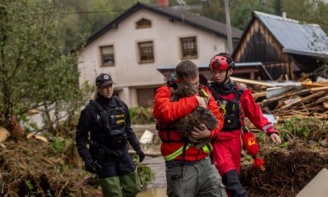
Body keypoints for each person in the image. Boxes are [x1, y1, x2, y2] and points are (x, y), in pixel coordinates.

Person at [207, 53, 282, 197]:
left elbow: (255, 114)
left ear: (230, 71)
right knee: (231, 178)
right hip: (217, 141)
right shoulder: (207, 92)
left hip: (235, 140)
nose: (216, 75)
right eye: (214, 72)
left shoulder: (241, 92)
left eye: (220, 72)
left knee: (232, 179)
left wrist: (271, 131)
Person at [153, 60, 228, 197]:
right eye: (191, 84)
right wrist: (194, 101)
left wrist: (209, 133)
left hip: (205, 162)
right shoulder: (165, 92)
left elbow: (218, 119)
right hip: (179, 165)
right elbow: (163, 112)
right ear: (179, 82)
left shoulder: (203, 91)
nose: (195, 88)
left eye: (197, 83)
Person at [76, 73, 145, 197]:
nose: (108, 89)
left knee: (134, 188)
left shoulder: (121, 105)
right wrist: (87, 159)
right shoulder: (89, 111)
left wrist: (138, 149)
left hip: (122, 153)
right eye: (104, 87)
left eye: (110, 86)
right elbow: (81, 137)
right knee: (114, 194)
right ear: (98, 89)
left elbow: (128, 129)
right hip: (104, 158)